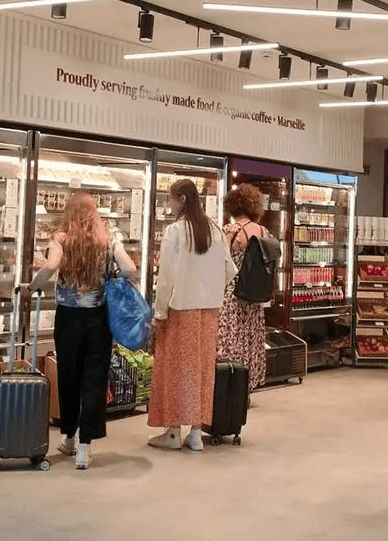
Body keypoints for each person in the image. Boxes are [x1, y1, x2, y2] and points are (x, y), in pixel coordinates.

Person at [25, 192, 139, 470]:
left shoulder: (61, 238)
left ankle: (69, 438)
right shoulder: (107, 238)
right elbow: (130, 268)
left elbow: (51, 265)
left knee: (69, 375)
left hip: (68, 318)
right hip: (98, 319)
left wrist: (33, 286)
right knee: (94, 380)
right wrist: (113, 275)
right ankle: (85, 449)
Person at [147, 178, 237, 452]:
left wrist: (159, 311)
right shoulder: (214, 230)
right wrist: (210, 289)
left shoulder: (176, 231)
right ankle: (196, 432)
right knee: (201, 370)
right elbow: (230, 270)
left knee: (175, 369)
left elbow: (166, 277)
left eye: (171, 199)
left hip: (180, 309)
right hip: (209, 311)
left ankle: (173, 431)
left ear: (182, 199)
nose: (169, 204)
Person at [217, 184, 270, 394]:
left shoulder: (230, 230)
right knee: (249, 339)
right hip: (254, 295)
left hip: (232, 294)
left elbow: (221, 263)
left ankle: (229, 385)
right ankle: (246, 386)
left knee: (229, 339)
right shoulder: (263, 231)